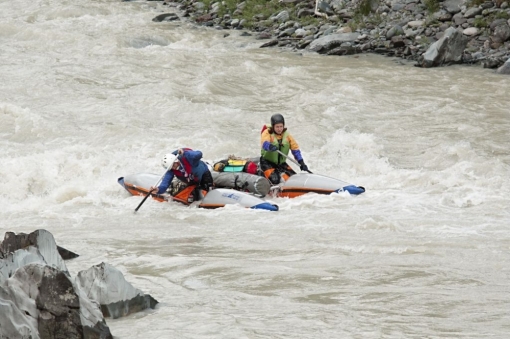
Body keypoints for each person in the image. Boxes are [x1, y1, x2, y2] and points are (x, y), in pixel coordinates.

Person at [260, 114, 309, 185]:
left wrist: (301, 163)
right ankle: (262, 174)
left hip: (281, 164)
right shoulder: (267, 133)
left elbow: (295, 150)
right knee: (275, 180)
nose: (279, 129)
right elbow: (264, 143)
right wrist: (270, 146)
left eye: (281, 126)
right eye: (277, 127)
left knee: (293, 178)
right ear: (273, 126)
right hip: (267, 162)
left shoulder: (287, 136)